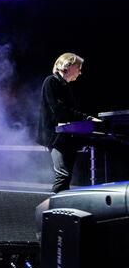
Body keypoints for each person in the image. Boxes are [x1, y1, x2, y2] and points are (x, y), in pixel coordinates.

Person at [36, 52, 100, 193]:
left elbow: (68, 112)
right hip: (55, 137)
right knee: (63, 174)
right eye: (79, 67)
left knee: (67, 175)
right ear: (68, 66)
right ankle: (54, 209)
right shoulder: (51, 81)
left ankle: (62, 207)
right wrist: (87, 118)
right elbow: (60, 110)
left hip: (66, 137)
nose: (80, 72)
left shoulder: (65, 86)